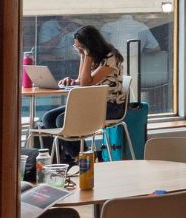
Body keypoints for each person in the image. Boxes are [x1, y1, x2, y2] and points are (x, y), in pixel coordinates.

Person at [40, 25, 127, 162]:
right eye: (76, 47)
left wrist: (87, 56)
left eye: (80, 47)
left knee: (62, 120)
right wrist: (72, 81)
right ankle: (82, 157)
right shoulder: (88, 57)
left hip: (111, 106)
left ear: (90, 46)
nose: (78, 50)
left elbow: (87, 82)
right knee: (48, 118)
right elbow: (82, 81)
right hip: (91, 103)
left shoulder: (110, 57)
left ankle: (84, 159)